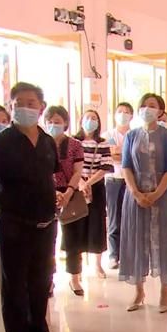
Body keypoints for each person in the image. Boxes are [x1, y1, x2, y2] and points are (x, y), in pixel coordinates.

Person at [0, 82, 71, 332]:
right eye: (19, 103)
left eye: (31, 103)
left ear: (41, 107)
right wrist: (5, 209)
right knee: (15, 288)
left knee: (41, 283)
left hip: (46, 225)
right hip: (14, 227)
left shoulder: (46, 141)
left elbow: (48, 177)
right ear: (11, 107)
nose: (26, 108)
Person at [120, 93, 167, 313]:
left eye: (152, 105)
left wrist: (156, 194)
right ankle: (139, 291)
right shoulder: (131, 135)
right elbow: (126, 166)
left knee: (164, 240)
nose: (147, 109)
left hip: (163, 195)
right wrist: (136, 193)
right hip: (135, 196)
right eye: (144, 105)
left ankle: (165, 291)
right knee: (137, 240)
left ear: (160, 111)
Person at [44, 106, 86, 295]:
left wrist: (68, 192)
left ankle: (74, 279)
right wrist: (53, 192)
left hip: (70, 193)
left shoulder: (75, 145)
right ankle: (49, 280)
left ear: (66, 123)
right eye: (50, 121)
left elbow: (78, 171)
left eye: (57, 121)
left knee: (73, 239)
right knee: (48, 240)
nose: (53, 125)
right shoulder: (41, 144)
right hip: (47, 194)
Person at [69, 110, 113, 284]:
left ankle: (97, 264)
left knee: (97, 224)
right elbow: (69, 166)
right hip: (75, 187)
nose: (90, 120)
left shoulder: (102, 143)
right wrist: (80, 182)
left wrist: (89, 183)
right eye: (87, 117)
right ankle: (77, 268)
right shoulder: (73, 142)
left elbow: (106, 166)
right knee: (77, 225)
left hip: (97, 188)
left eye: (94, 118)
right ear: (81, 121)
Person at [104, 102, 133, 270]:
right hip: (113, 180)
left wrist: (120, 153)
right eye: (120, 111)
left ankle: (128, 254)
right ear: (115, 115)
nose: (123, 114)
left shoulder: (135, 134)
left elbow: (134, 157)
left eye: (127, 112)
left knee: (130, 217)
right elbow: (109, 156)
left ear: (132, 116)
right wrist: (122, 154)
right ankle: (114, 255)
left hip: (131, 181)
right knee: (114, 218)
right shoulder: (108, 135)